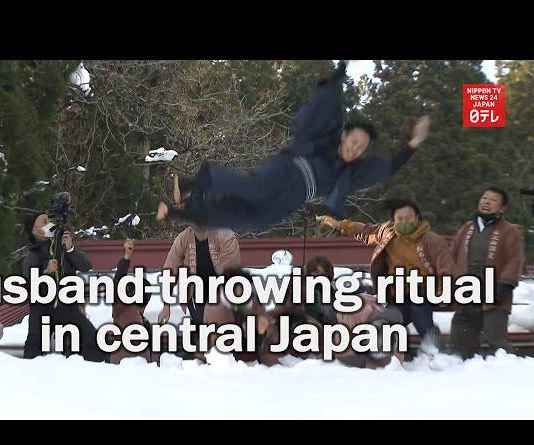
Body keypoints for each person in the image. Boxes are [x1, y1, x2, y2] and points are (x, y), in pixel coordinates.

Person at [158, 61, 431, 233]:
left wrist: (414, 143)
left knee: (255, 222)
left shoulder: (351, 173)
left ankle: (185, 212)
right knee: (254, 189)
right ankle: (199, 180)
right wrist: (341, 71)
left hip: (296, 197)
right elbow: (329, 97)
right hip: (288, 169)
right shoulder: (327, 134)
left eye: (361, 148)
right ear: (345, 136)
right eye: (354, 141)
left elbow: (387, 167)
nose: (355, 149)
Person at [317, 199, 456, 350]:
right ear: (394, 220)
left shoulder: (432, 240)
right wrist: (340, 225)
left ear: (417, 218)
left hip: (424, 292)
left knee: (418, 310)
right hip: (396, 294)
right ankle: (384, 355)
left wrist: (444, 292)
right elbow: (366, 230)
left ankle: (435, 350)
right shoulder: (388, 234)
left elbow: (447, 269)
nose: (404, 222)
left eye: (408, 218)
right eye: (399, 219)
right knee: (389, 319)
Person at [22, 212, 108, 362]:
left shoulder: (62, 247)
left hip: (67, 307)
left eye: (49, 220)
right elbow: (28, 279)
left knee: (93, 341)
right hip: (42, 310)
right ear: (35, 230)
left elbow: (86, 265)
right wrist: (46, 273)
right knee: (33, 350)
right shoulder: (32, 255)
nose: (49, 224)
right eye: (44, 222)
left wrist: (70, 249)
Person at [449, 186, 525, 359]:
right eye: (484, 198)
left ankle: (511, 369)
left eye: (492, 200)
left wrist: (503, 286)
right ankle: (456, 372)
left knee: (494, 340)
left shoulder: (509, 231)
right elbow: (451, 255)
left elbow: (514, 260)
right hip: (467, 290)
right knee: (460, 339)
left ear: (502, 208)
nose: (486, 202)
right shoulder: (467, 228)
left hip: (495, 292)